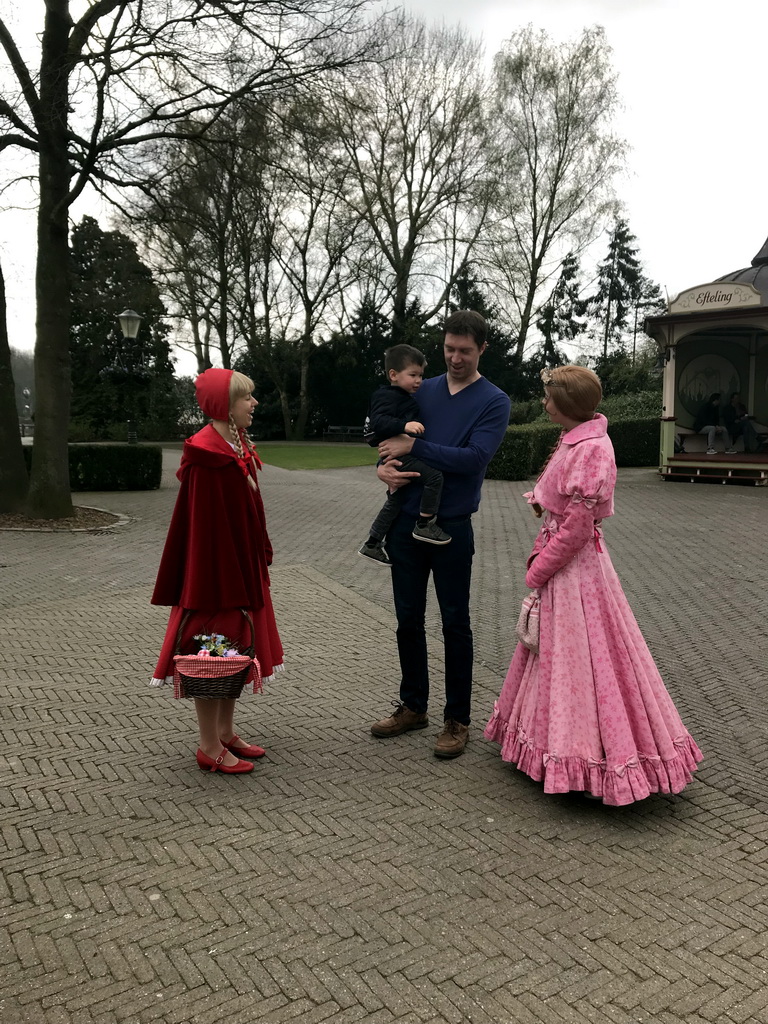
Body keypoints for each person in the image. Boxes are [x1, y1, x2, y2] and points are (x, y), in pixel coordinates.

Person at [484, 365, 703, 806]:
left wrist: (540, 568)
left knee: (582, 661)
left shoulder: (592, 450)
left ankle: (587, 759)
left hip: (575, 572)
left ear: (566, 403)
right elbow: (566, 505)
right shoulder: (579, 439)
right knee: (559, 658)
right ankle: (552, 749)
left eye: (548, 397)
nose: (544, 403)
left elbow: (579, 526)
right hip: (569, 568)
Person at [369, 310, 511, 759]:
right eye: (449, 349)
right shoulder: (420, 387)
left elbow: (473, 458)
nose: (454, 358)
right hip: (406, 524)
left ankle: (457, 718)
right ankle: (414, 706)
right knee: (407, 620)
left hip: (450, 527)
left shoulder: (494, 400)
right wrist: (383, 467)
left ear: (481, 349)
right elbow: (385, 432)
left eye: (464, 351)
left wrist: (417, 447)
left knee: (455, 624)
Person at [150, 368, 284, 774]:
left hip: (239, 572)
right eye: (246, 398)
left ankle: (225, 732)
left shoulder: (234, 445)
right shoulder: (208, 456)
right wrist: (223, 580)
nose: (254, 403)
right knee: (212, 655)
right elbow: (205, 533)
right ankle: (208, 745)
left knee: (236, 653)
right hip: (216, 581)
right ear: (224, 406)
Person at [359, 344, 451, 565]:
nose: (419, 380)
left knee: (396, 499)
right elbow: (378, 421)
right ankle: (425, 524)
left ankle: (372, 543)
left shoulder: (401, 395)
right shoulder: (387, 395)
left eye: (421, 375)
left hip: (395, 455)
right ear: (393, 375)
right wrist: (405, 425)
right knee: (435, 477)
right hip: (400, 454)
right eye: (413, 375)